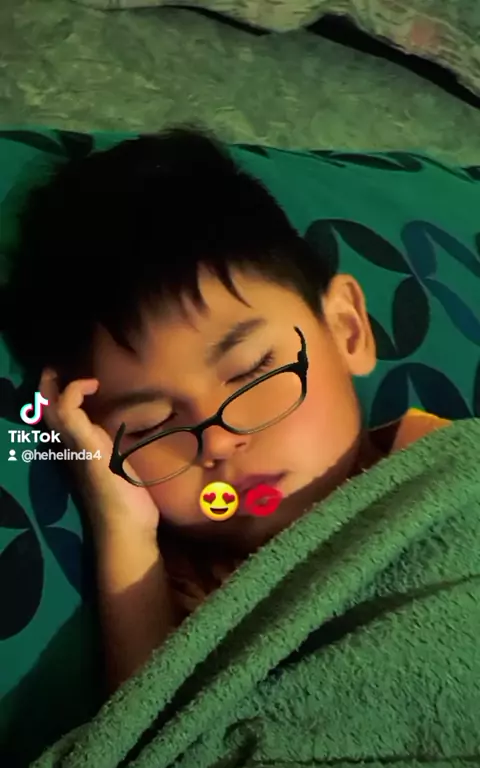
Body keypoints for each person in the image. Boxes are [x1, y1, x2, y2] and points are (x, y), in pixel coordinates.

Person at [2, 127, 449, 694]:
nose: (215, 442)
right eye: (151, 424)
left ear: (347, 329)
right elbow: (154, 741)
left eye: (251, 370)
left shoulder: (443, 464)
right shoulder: (175, 594)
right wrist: (123, 528)